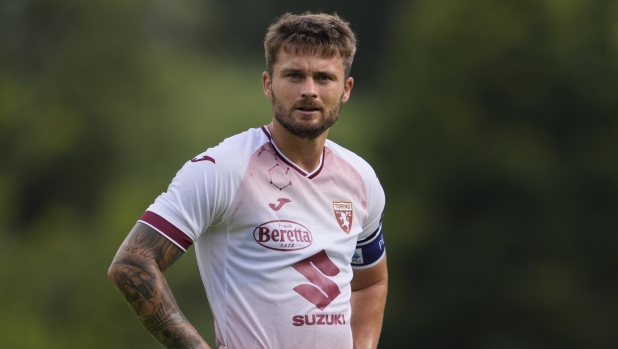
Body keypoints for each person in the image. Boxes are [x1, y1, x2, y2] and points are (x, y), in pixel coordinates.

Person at [108, 12, 387, 349]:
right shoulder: (222, 168)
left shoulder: (361, 178)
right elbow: (131, 264)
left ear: (346, 89)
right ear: (268, 83)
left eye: (324, 78)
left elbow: (370, 282)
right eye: (294, 75)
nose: (309, 91)